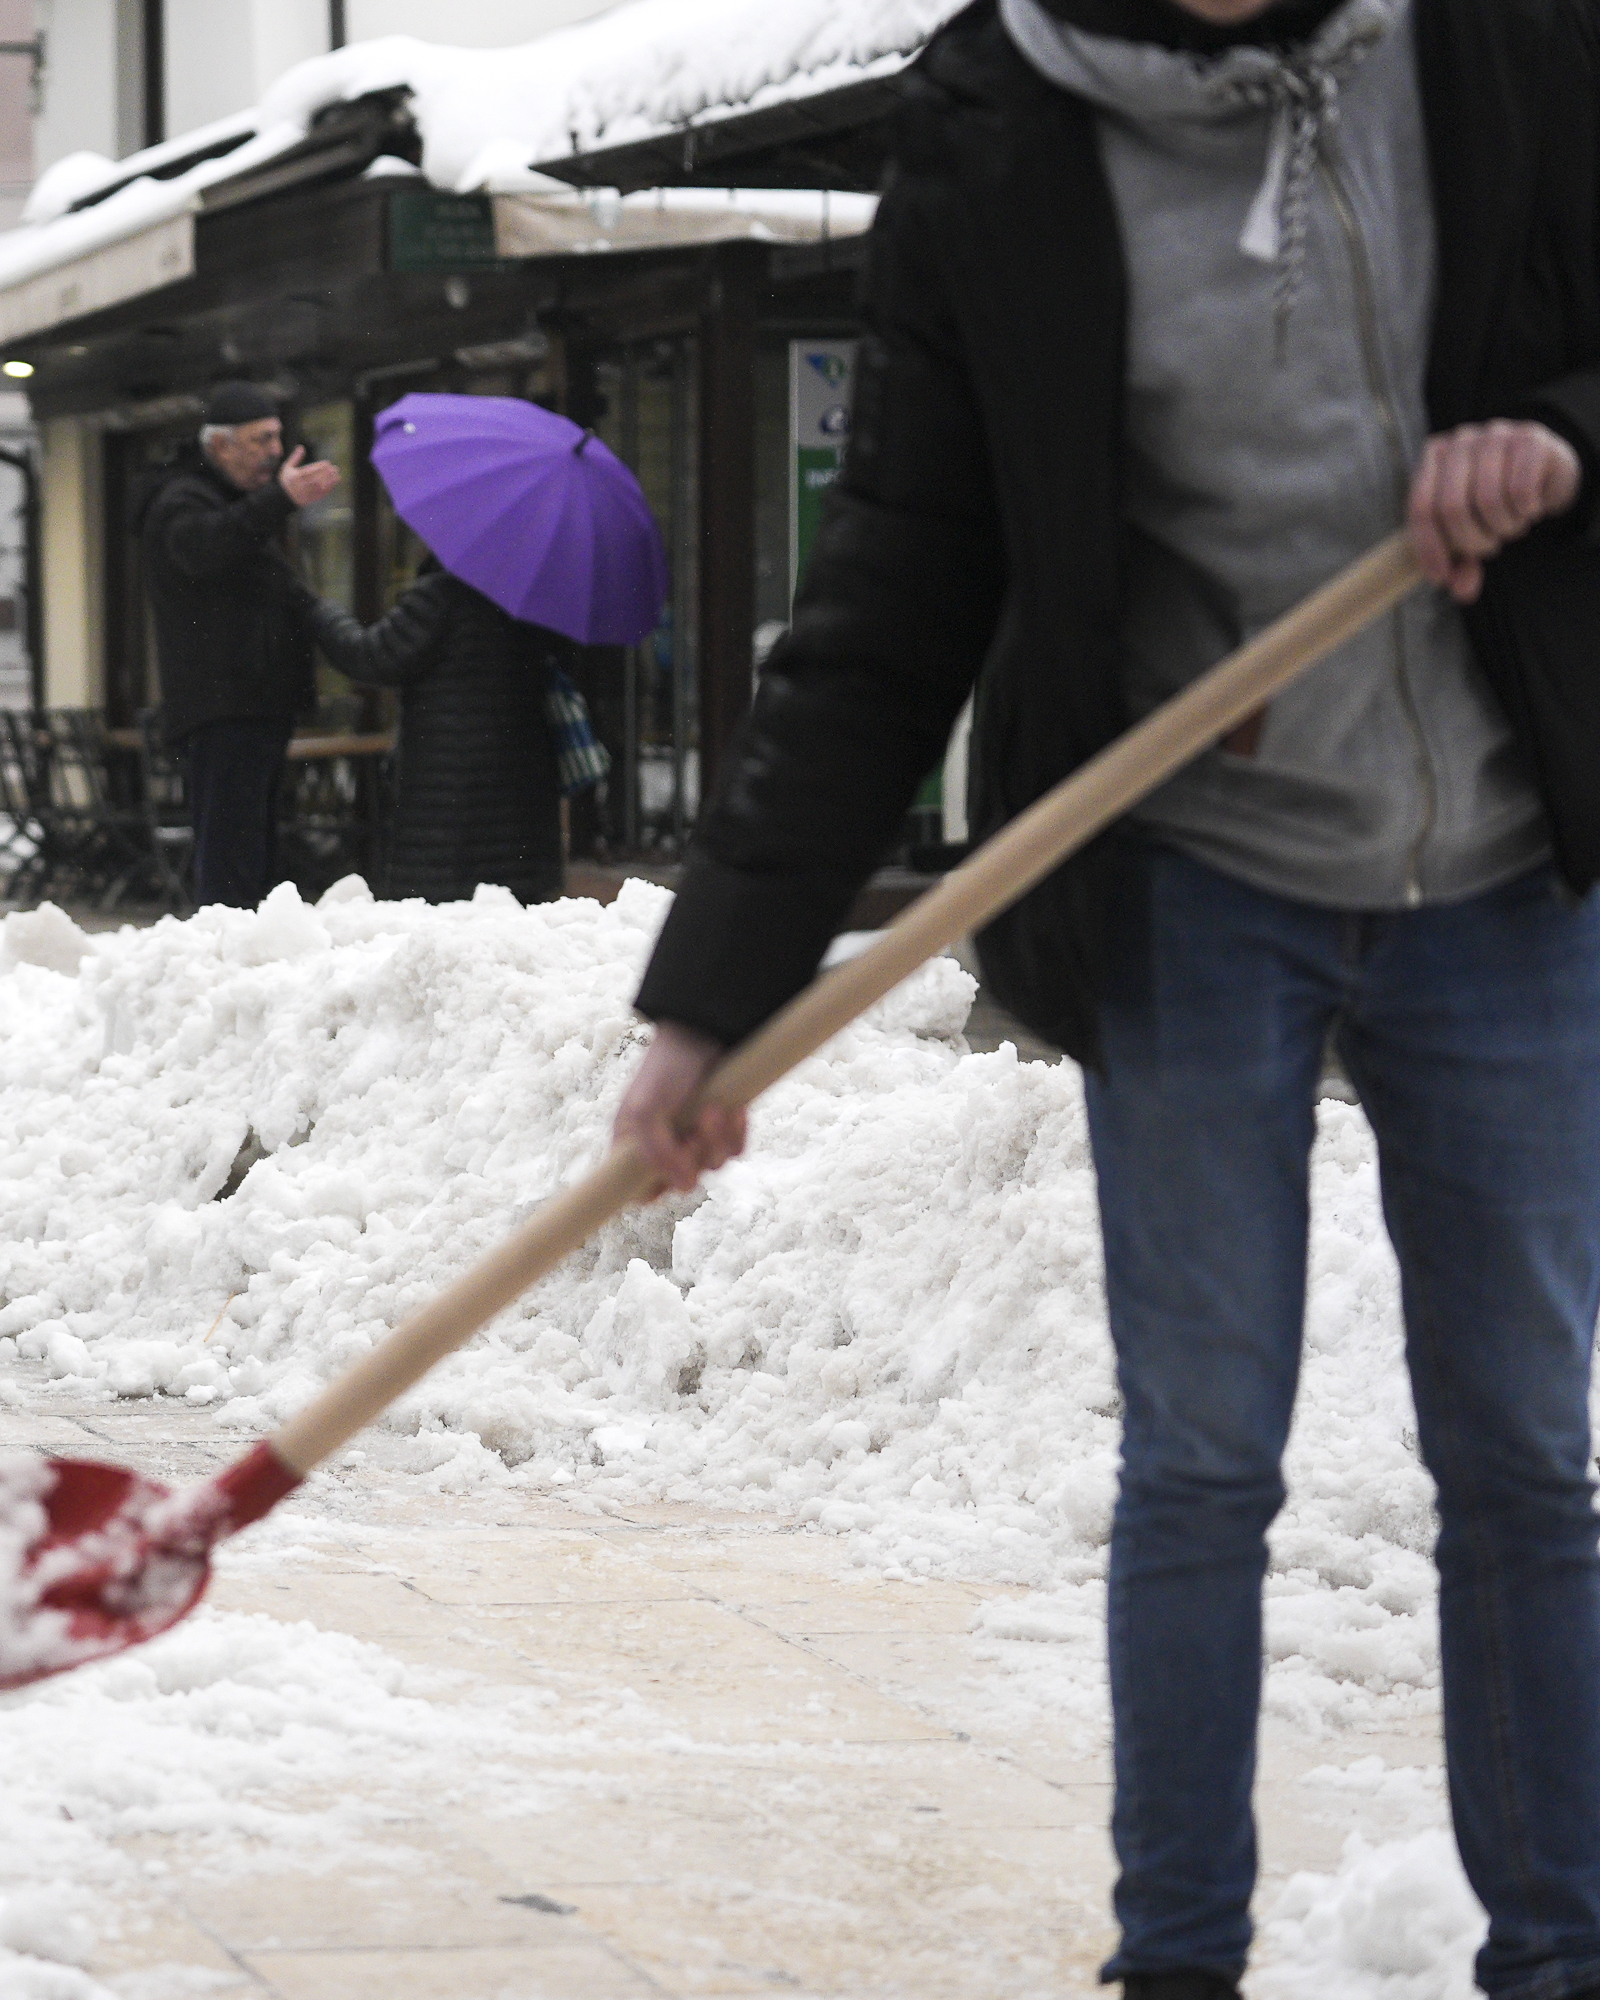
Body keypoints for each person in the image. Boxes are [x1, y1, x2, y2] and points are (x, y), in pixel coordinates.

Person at [607, 3, 1600, 1996]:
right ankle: (1177, 1964)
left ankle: (1567, 1954)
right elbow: (893, 585)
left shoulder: (1521, 37)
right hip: (1195, 870)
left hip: (1502, 850)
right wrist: (717, 998)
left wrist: (1563, 419)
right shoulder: (994, 130)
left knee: (1521, 1455)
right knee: (1204, 1457)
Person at [139, 382, 340, 909]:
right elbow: (208, 547)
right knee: (231, 851)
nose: (274, 451)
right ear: (220, 446)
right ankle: (227, 952)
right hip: (222, 705)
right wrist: (281, 500)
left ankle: (247, 946)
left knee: (255, 845)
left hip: (257, 700)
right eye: (261, 439)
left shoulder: (236, 504)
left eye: (277, 437)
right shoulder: (181, 501)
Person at [302, 551, 566, 904]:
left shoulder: (444, 594)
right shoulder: (530, 597)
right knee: (509, 911)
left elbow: (372, 656)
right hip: (520, 788)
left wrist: (318, 610)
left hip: (449, 793)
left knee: (444, 910)